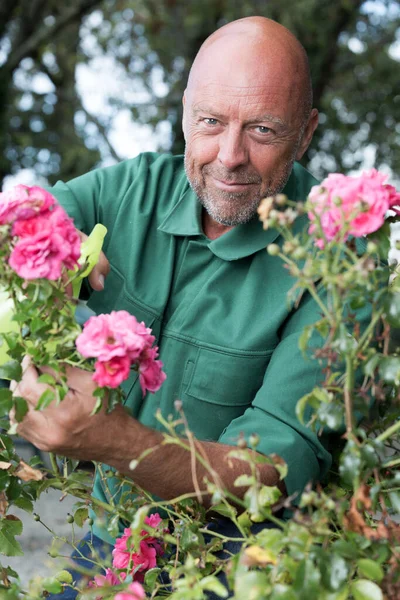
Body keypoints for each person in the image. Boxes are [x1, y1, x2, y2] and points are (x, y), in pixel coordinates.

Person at [12, 15, 333, 598]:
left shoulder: (334, 262)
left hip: (239, 560)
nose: (229, 156)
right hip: (114, 538)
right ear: (185, 112)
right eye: (210, 122)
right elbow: (23, 223)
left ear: (305, 133)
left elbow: (273, 472)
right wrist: (49, 265)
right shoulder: (134, 187)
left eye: (262, 130)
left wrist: (113, 442)